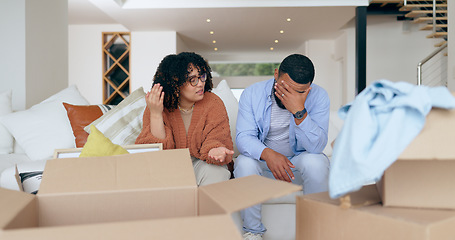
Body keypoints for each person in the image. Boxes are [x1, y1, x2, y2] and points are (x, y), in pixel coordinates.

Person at [234, 54, 330, 240]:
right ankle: (252, 233)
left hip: (296, 167)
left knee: (317, 161)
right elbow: (244, 137)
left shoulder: (319, 96)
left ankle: (314, 232)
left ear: (309, 87)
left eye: (300, 92)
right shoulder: (252, 94)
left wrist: (298, 111)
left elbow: (316, 146)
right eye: (286, 88)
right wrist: (268, 154)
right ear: (276, 74)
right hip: (264, 167)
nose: (290, 95)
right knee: (244, 162)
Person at [136, 52, 234, 186]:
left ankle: (206, 207)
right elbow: (157, 153)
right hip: (168, 167)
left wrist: (213, 149)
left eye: (202, 77)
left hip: (202, 164)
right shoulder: (156, 106)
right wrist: (156, 114)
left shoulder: (214, 103)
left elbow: (216, 138)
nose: (200, 84)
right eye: (193, 80)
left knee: (218, 172)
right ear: (175, 83)